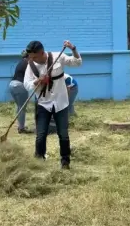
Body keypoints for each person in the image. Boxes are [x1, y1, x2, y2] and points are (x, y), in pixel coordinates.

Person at [23, 40, 82, 169]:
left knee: (63, 134)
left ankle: (65, 162)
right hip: (43, 104)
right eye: (30, 57)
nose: (31, 59)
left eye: (34, 56)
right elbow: (26, 84)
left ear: (41, 52)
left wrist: (73, 49)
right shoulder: (31, 66)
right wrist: (38, 80)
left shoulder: (57, 57)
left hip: (61, 102)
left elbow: (77, 62)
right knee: (41, 135)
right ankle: (39, 161)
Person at [8, 50, 34, 134]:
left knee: (19, 107)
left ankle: (20, 126)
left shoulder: (21, 62)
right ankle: (21, 128)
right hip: (20, 85)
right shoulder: (28, 63)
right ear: (29, 56)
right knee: (22, 107)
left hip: (12, 85)